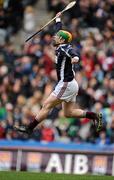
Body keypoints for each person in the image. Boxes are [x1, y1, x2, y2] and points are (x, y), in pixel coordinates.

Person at [14, 12, 102, 134]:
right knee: (68, 113)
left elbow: (74, 54)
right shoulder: (61, 45)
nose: (53, 37)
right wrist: (58, 18)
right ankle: (94, 116)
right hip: (71, 84)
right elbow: (58, 30)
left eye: (56, 37)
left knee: (46, 105)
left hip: (66, 84)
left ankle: (29, 128)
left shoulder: (65, 48)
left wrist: (75, 59)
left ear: (61, 40)